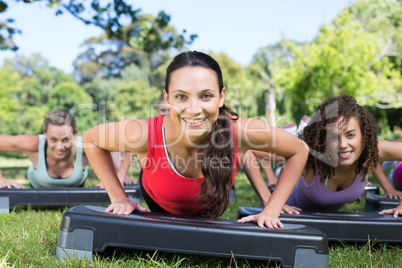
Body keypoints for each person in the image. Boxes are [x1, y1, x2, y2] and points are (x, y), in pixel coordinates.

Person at [83, 51, 308, 228]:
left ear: (221, 97)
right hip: (159, 201)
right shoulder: (143, 133)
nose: (193, 109)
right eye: (181, 96)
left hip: (207, 208)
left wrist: (272, 209)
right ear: (167, 98)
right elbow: (90, 139)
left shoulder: (241, 130)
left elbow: (299, 150)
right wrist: (118, 196)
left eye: (206, 96)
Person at [284, 94, 402, 211]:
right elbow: (265, 150)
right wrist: (272, 204)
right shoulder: (309, 154)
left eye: (350, 135)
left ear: (363, 134)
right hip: (294, 219)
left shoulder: (372, 150)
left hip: (329, 222)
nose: (343, 145)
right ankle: (293, 132)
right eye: (333, 137)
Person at [0, 109, 89, 188]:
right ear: (45, 133)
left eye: (66, 139)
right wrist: (1, 181)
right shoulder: (34, 144)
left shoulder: (85, 147)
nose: (59, 147)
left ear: (75, 133)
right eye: (53, 139)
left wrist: (103, 181)